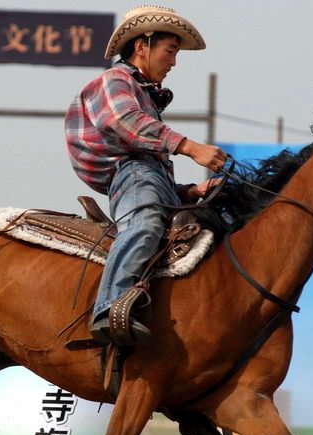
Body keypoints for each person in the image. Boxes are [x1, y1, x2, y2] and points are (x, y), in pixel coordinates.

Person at [65, 6, 226, 345]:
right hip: (133, 175)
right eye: (171, 51)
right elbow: (123, 123)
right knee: (145, 226)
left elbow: (148, 160)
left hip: (146, 178)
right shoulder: (116, 80)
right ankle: (109, 309)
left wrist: (189, 191)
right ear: (142, 46)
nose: (174, 62)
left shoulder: (142, 93)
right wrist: (190, 147)